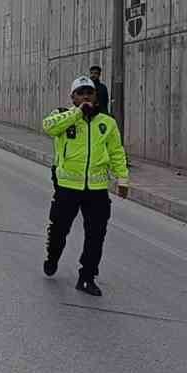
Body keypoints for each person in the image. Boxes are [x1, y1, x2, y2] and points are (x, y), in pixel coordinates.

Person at [41, 76, 129, 296]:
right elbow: (49, 128)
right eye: (80, 93)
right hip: (67, 187)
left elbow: (117, 152)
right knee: (59, 230)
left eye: (89, 92)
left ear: (96, 96)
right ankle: (53, 257)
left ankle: (87, 277)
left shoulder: (107, 123)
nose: (86, 96)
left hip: (97, 190)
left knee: (96, 234)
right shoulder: (62, 116)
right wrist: (79, 112)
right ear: (72, 97)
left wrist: (122, 178)